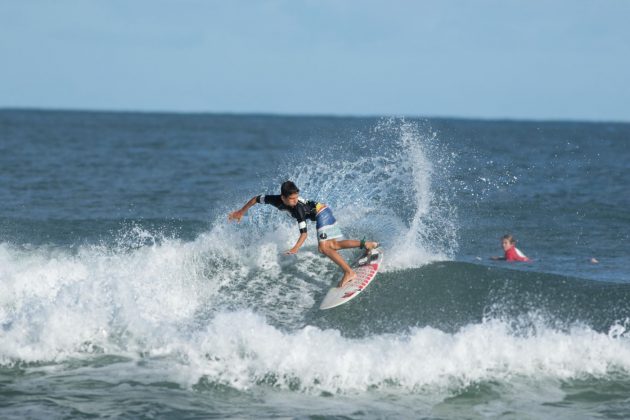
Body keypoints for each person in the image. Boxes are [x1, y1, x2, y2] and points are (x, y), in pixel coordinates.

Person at [228, 181, 378, 287]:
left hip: (322, 214)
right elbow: (256, 199)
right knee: (333, 245)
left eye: (296, 197)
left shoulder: (298, 208)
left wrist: (295, 248)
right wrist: (241, 212)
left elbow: (304, 234)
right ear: (283, 198)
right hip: (324, 210)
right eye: (291, 198)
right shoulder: (273, 199)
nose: (294, 201)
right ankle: (368, 244)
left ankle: (349, 272)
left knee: (324, 248)